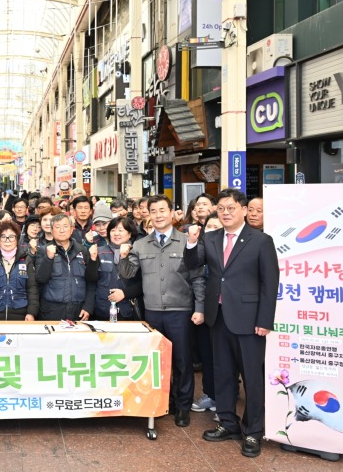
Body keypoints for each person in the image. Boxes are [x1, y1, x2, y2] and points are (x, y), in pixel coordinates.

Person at [184, 189, 279, 458]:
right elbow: (192, 265)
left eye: (231, 208)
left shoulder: (260, 240)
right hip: (219, 316)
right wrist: (192, 243)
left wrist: (264, 319)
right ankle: (227, 423)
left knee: (252, 377)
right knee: (222, 373)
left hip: (250, 320)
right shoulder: (210, 237)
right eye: (222, 208)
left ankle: (252, 431)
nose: (226, 213)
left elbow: (269, 283)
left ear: (244, 210)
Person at [119, 195, 206, 429]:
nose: (157, 215)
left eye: (162, 210)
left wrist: (199, 308)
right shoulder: (140, 244)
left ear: (171, 212)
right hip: (153, 312)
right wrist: (123, 256)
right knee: (157, 362)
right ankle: (162, 401)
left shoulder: (186, 241)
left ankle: (183, 406)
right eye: (153, 211)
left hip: (180, 311)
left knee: (182, 361)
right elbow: (128, 275)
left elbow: (198, 278)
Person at [35, 213, 98, 321]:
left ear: (72, 229)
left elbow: (91, 281)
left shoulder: (82, 250)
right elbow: (41, 278)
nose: (62, 230)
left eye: (65, 226)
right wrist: (49, 258)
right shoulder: (43, 250)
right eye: (57, 227)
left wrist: (88, 307)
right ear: (51, 230)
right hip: (52, 310)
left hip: (79, 309)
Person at [0, 220, 39, 321]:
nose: (7, 240)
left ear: (17, 239)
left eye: (11, 237)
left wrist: (32, 312)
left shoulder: (26, 259)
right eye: (3, 237)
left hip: (20, 313)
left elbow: (32, 288)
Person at [191, 211, 221, 417]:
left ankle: (225, 401)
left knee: (226, 359)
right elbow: (196, 276)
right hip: (204, 310)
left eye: (216, 227)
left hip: (229, 312)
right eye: (209, 227)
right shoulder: (200, 250)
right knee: (209, 357)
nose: (212, 231)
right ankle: (211, 394)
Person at [93, 217, 142, 321]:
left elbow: (145, 283)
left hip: (128, 309)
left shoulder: (137, 252)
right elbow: (92, 280)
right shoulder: (99, 252)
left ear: (129, 234)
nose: (116, 234)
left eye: (120, 230)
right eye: (113, 230)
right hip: (102, 309)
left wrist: (125, 293)